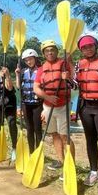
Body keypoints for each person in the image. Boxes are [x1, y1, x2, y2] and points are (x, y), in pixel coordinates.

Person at [75, 35, 98, 194]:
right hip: (85, 106)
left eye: (90, 46)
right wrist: (66, 78)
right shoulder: (79, 64)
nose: (88, 49)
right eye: (84, 47)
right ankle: (93, 171)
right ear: (81, 50)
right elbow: (75, 85)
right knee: (90, 140)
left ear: (95, 46)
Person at [33, 40, 74, 171]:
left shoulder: (64, 64)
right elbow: (36, 88)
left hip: (63, 105)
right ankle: (61, 161)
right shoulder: (41, 69)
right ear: (44, 53)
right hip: (48, 106)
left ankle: (70, 164)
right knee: (54, 134)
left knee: (64, 136)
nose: (50, 52)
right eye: (47, 50)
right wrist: (47, 96)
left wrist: (67, 77)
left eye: (52, 50)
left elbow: (73, 82)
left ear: (57, 51)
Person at [15, 48, 43, 151]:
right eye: (26, 60)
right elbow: (18, 87)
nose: (29, 62)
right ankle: (31, 151)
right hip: (26, 104)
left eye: (30, 59)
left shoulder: (41, 71)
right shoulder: (23, 71)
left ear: (35, 58)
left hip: (37, 104)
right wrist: (17, 75)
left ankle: (39, 152)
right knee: (29, 129)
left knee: (37, 128)